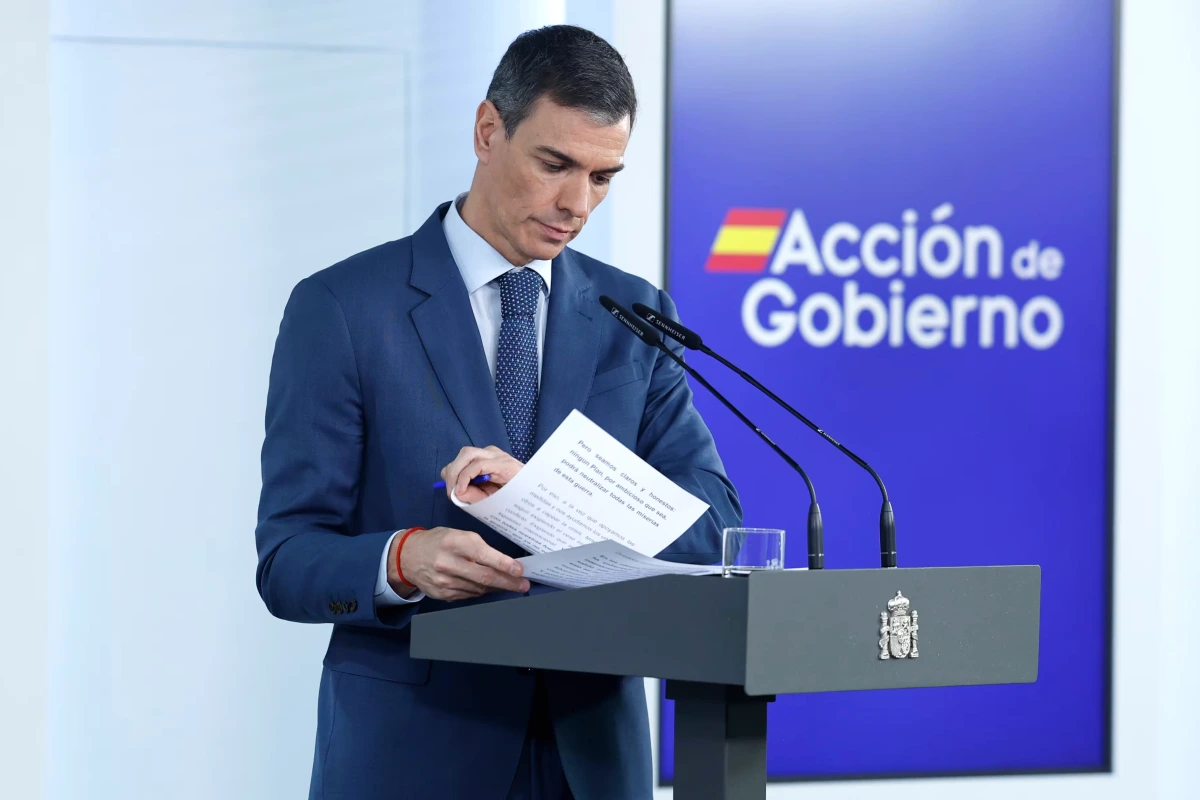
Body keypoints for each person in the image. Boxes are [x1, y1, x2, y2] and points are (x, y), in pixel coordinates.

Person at [255, 24, 741, 800]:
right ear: (488, 131)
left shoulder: (636, 316)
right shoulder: (342, 308)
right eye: (555, 165)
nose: (576, 203)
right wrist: (402, 560)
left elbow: (713, 526)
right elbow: (286, 559)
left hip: (593, 757)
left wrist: (555, 498)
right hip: (416, 757)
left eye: (603, 176)